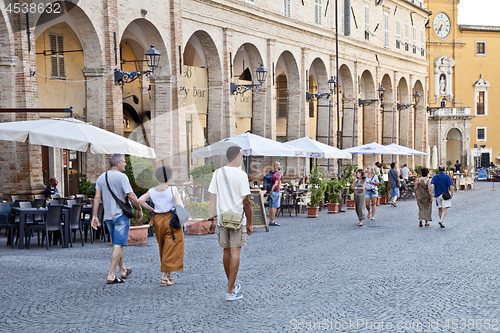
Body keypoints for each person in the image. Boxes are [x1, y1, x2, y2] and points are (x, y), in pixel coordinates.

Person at [208, 146, 253, 301]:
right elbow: (246, 202)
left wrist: (211, 219)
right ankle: (229, 291)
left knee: (226, 252)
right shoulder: (241, 175)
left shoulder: (217, 173)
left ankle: (232, 286)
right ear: (236, 158)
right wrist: (250, 223)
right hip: (237, 219)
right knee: (235, 253)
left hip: (222, 218)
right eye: (241, 156)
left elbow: (212, 198)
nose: (242, 158)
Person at [91, 154, 143, 284]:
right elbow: (131, 196)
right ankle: (111, 275)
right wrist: (139, 209)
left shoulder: (101, 177)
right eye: (124, 162)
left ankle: (123, 270)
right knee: (118, 245)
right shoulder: (122, 177)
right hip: (121, 216)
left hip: (108, 217)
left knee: (117, 244)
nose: (125, 164)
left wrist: (94, 216)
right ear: (117, 163)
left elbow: (97, 198)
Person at [138, 166, 184, 287]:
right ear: (169, 177)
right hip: (170, 220)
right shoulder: (172, 190)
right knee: (171, 246)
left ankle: (169, 275)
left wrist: (152, 209)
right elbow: (180, 205)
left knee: (163, 247)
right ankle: (164, 277)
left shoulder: (152, 190)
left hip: (158, 220)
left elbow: (140, 200)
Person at [268, 162, 281, 226]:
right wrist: (272, 190)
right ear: (278, 166)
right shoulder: (277, 174)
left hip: (270, 192)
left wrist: (269, 191)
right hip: (275, 191)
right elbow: (276, 184)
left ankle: (270, 220)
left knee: (270, 206)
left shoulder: (271, 173)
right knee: (274, 206)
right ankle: (273, 221)